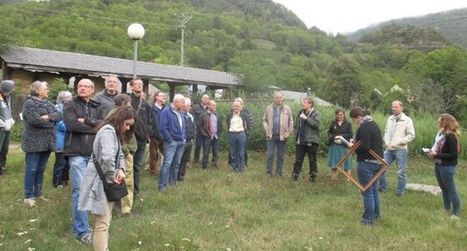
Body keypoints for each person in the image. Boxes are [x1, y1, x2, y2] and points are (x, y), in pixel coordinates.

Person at [78, 105, 134, 251]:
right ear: (119, 119)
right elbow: (108, 157)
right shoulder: (108, 132)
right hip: (99, 181)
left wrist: (121, 169)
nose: (128, 128)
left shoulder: (113, 132)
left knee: (104, 221)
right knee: (102, 223)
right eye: (127, 124)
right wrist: (111, 176)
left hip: (104, 180)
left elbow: (119, 154)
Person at [64, 79, 104, 244]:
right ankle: (82, 231)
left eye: (86, 86)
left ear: (92, 89)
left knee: (94, 190)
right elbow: (72, 125)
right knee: (80, 191)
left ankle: (96, 225)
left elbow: (103, 125)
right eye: (80, 86)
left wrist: (85, 120)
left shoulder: (97, 105)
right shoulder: (70, 104)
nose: (82, 88)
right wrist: (94, 126)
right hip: (76, 153)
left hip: (93, 154)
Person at [21, 81, 62, 207]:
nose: (48, 90)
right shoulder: (29, 103)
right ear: (37, 90)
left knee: (40, 169)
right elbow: (34, 120)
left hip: (47, 142)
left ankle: (38, 194)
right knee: (31, 169)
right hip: (33, 142)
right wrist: (50, 119)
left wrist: (47, 117)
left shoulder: (48, 103)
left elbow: (60, 115)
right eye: (46, 88)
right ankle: (28, 196)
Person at [349, 107, 383, 226]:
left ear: (358, 117)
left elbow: (365, 146)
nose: (355, 123)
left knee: (367, 191)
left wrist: (352, 146)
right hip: (377, 162)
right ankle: (376, 214)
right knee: (373, 190)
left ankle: (368, 219)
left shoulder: (363, 127)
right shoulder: (374, 124)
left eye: (354, 120)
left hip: (366, 162)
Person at [427, 114, 461, 220]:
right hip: (439, 164)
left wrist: (436, 155)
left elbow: (454, 154)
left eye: (440, 121)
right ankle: (446, 208)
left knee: (451, 189)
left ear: (445, 122)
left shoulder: (451, 136)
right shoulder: (442, 135)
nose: (438, 123)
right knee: (444, 188)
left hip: (447, 166)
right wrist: (433, 153)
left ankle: (456, 212)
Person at [378, 100, 415, 196]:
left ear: (401, 108)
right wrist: (386, 141)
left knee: (401, 172)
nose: (393, 108)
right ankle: (382, 188)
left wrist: (400, 142)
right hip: (389, 149)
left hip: (401, 150)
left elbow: (411, 135)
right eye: (392, 106)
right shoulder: (390, 118)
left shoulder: (407, 120)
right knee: (381, 168)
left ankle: (400, 192)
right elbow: (386, 131)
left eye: (396, 107)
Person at [111, 94, 137, 215]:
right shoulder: (114, 116)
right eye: (128, 103)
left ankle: (122, 208)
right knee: (125, 181)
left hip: (127, 151)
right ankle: (124, 210)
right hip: (122, 154)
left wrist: (132, 148)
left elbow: (130, 135)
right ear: (123, 103)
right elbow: (116, 137)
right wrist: (126, 150)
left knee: (126, 180)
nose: (130, 106)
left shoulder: (124, 115)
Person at [129, 79, 153, 195]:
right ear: (131, 87)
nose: (139, 86)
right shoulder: (128, 101)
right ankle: (126, 192)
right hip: (130, 138)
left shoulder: (145, 103)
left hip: (142, 139)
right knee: (128, 165)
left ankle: (136, 191)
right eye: (136, 84)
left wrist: (148, 132)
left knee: (138, 165)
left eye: (141, 84)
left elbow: (149, 120)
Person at [158, 94, 186, 191]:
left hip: (181, 142)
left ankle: (173, 184)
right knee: (167, 164)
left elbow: (183, 126)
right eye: (182, 102)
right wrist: (170, 140)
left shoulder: (181, 112)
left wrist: (184, 137)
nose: (184, 104)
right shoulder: (166, 112)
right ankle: (162, 186)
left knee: (176, 164)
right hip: (171, 142)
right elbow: (162, 128)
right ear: (176, 102)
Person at [262, 91, 293, 176]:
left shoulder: (287, 108)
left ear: (283, 98)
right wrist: (267, 129)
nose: (278, 99)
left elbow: (291, 121)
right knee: (270, 155)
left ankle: (279, 173)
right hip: (271, 136)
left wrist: (289, 132)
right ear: (274, 98)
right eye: (277, 97)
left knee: (281, 155)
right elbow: (264, 120)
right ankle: (269, 173)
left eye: (280, 97)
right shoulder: (269, 108)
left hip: (282, 136)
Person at [291, 97, 320, 182]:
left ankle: (312, 178)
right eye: (302, 102)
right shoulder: (300, 112)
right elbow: (296, 125)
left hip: (311, 141)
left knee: (312, 160)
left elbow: (316, 125)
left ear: (310, 104)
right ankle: (295, 177)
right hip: (300, 141)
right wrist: (294, 134)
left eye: (305, 102)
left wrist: (306, 118)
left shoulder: (315, 113)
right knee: (298, 160)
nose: (303, 104)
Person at [52, 91, 72, 188]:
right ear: (62, 98)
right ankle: (57, 182)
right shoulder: (57, 108)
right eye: (68, 97)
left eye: (70, 97)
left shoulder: (69, 108)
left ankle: (64, 179)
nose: (70, 99)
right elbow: (61, 125)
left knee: (67, 162)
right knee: (60, 162)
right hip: (60, 139)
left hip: (68, 139)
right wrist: (72, 126)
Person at [327, 108, 353, 180]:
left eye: (341, 114)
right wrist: (331, 137)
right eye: (338, 115)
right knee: (334, 163)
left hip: (344, 146)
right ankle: (333, 179)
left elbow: (350, 134)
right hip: (334, 146)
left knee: (347, 163)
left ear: (344, 115)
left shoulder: (348, 124)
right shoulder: (333, 123)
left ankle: (348, 180)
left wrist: (341, 136)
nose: (339, 116)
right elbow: (329, 132)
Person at [226, 100, 251, 172]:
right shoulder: (229, 115)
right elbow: (228, 123)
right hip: (232, 134)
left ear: (241, 107)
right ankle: (235, 167)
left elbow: (248, 125)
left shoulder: (244, 115)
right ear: (233, 107)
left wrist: (244, 131)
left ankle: (241, 167)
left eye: (238, 106)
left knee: (241, 151)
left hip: (241, 135)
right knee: (233, 151)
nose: (236, 107)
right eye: (235, 106)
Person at [199, 100, 223, 169]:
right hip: (207, 136)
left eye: (215, 105)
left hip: (215, 136)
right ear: (208, 106)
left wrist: (218, 134)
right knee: (206, 152)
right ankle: (205, 166)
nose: (215, 106)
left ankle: (215, 164)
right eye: (213, 105)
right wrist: (205, 134)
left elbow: (220, 125)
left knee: (216, 151)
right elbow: (199, 126)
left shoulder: (217, 114)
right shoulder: (203, 115)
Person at [0, 80, 15, 175]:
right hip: (1, 128)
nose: (13, 90)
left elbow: (7, 112)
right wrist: (2, 123)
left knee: (4, 149)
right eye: (11, 88)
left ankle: (1, 166)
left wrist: (10, 119)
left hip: (6, 129)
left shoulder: (7, 98)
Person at [149, 91, 166, 176]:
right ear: (156, 97)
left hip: (164, 135)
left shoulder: (165, 109)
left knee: (165, 153)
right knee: (153, 155)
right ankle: (153, 171)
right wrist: (151, 132)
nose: (164, 97)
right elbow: (149, 121)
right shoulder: (151, 108)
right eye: (162, 96)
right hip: (154, 136)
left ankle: (164, 170)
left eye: (164, 96)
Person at [178, 98, 195, 180]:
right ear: (183, 106)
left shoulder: (190, 116)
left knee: (185, 159)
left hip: (190, 141)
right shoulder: (179, 115)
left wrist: (192, 138)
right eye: (187, 106)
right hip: (182, 141)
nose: (188, 108)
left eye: (189, 106)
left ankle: (182, 175)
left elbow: (192, 127)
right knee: (179, 159)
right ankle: (176, 176)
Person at [192, 94, 209, 165]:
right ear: (201, 99)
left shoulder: (209, 108)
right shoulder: (196, 107)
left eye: (207, 98)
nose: (205, 99)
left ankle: (205, 160)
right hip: (198, 130)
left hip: (207, 131)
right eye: (204, 98)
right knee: (198, 145)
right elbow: (193, 118)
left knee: (206, 146)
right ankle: (196, 160)